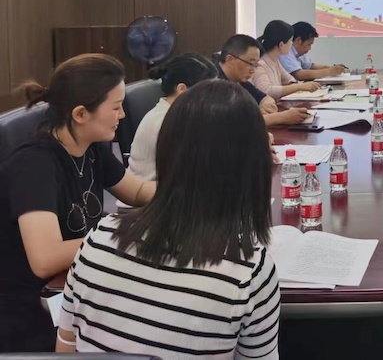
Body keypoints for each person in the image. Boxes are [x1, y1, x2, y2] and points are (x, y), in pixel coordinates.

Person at [56, 79, 279, 356]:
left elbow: (66, 348)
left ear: (165, 149)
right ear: (255, 164)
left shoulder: (97, 239)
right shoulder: (249, 272)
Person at [0, 54, 156, 351]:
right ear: (81, 114)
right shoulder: (35, 166)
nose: (123, 115)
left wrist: (191, 193)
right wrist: (121, 233)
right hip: (32, 309)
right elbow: (45, 259)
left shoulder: (90, 148)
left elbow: (137, 191)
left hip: (77, 284)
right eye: (115, 107)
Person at [127, 52, 219, 181]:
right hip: (152, 189)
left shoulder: (180, 112)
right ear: (182, 89)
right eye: (208, 91)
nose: (213, 96)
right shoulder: (166, 122)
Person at [216, 34, 309, 127]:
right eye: (250, 63)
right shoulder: (213, 82)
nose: (253, 70)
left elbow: (264, 96)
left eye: (255, 65)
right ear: (230, 60)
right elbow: (233, 122)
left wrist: (265, 104)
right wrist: (281, 118)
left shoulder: (238, 79)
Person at [252, 19, 322, 99]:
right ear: (281, 45)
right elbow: (266, 91)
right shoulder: (260, 64)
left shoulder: (275, 61)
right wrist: (298, 87)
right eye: (290, 41)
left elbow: (289, 79)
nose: (292, 44)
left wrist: (295, 85)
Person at [280, 21, 346, 81]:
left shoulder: (298, 52)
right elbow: (299, 75)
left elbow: (310, 66)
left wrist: (333, 68)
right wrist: (329, 71)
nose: (310, 48)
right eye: (309, 44)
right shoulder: (285, 52)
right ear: (298, 40)